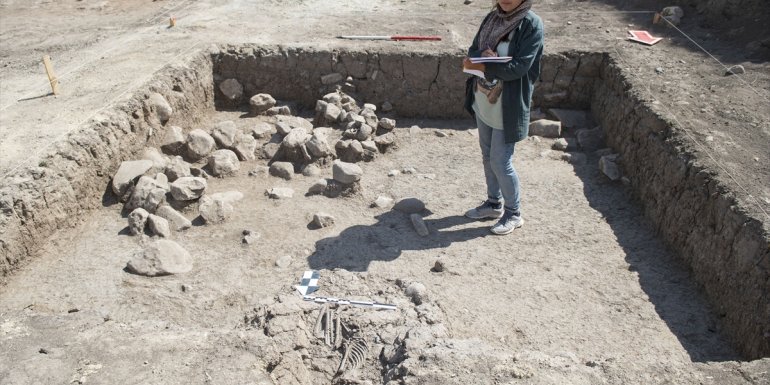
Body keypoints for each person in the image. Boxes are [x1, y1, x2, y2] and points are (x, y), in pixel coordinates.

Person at [462, 0, 543, 235]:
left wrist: (485, 64)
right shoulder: (492, 18)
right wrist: (482, 55)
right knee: (487, 156)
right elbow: (472, 52)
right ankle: (493, 203)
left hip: (507, 108)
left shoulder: (531, 25)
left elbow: (519, 68)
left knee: (500, 161)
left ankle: (513, 213)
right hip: (484, 101)